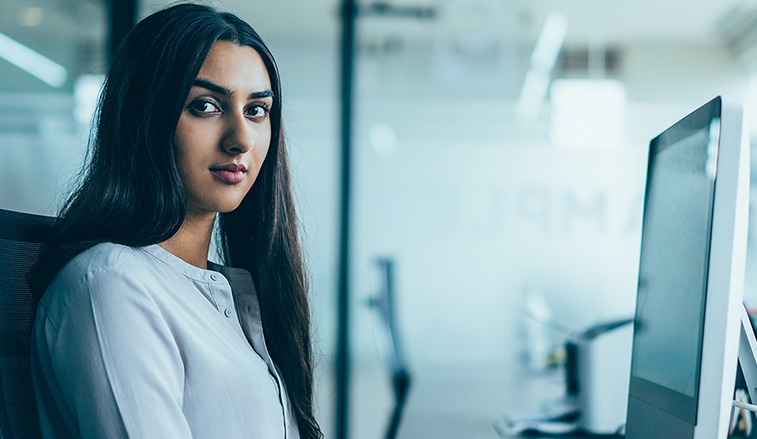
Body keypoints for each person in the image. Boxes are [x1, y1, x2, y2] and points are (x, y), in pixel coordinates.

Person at [29, 3, 321, 439]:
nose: (241, 139)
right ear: (145, 118)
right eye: (205, 105)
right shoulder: (112, 283)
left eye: (256, 110)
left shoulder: (231, 292)